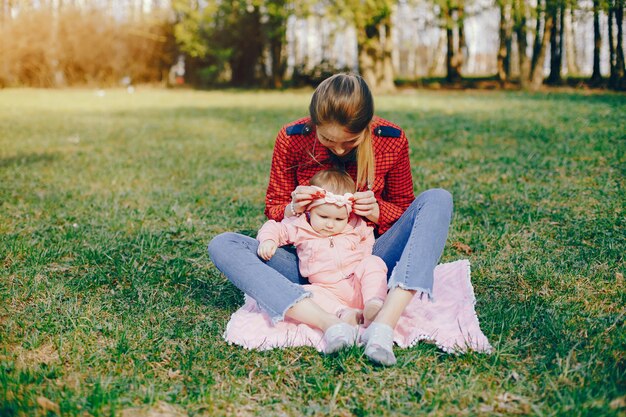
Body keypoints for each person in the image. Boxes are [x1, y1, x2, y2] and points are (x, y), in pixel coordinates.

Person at [209, 73, 453, 366]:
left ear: (368, 126)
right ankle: (328, 322)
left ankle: (384, 323)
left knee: (438, 198)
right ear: (314, 125)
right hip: (308, 265)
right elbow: (274, 206)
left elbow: (405, 209)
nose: (338, 150)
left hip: (368, 256)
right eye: (328, 140)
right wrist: (292, 208)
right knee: (224, 244)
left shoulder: (391, 141)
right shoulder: (292, 138)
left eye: (350, 142)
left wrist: (377, 212)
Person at [256, 169, 388, 353]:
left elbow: (368, 239)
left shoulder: (354, 225)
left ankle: (374, 303)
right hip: (327, 290)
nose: (330, 224)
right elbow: (275, 228)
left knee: (373, 263)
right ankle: (346, 314)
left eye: (338, 218)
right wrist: (269, 241)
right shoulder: (301, 227)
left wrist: (364, 256)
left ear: (348, 215)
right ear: (310, 210)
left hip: (357, 282)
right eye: (324, 217)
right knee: (306, 292)